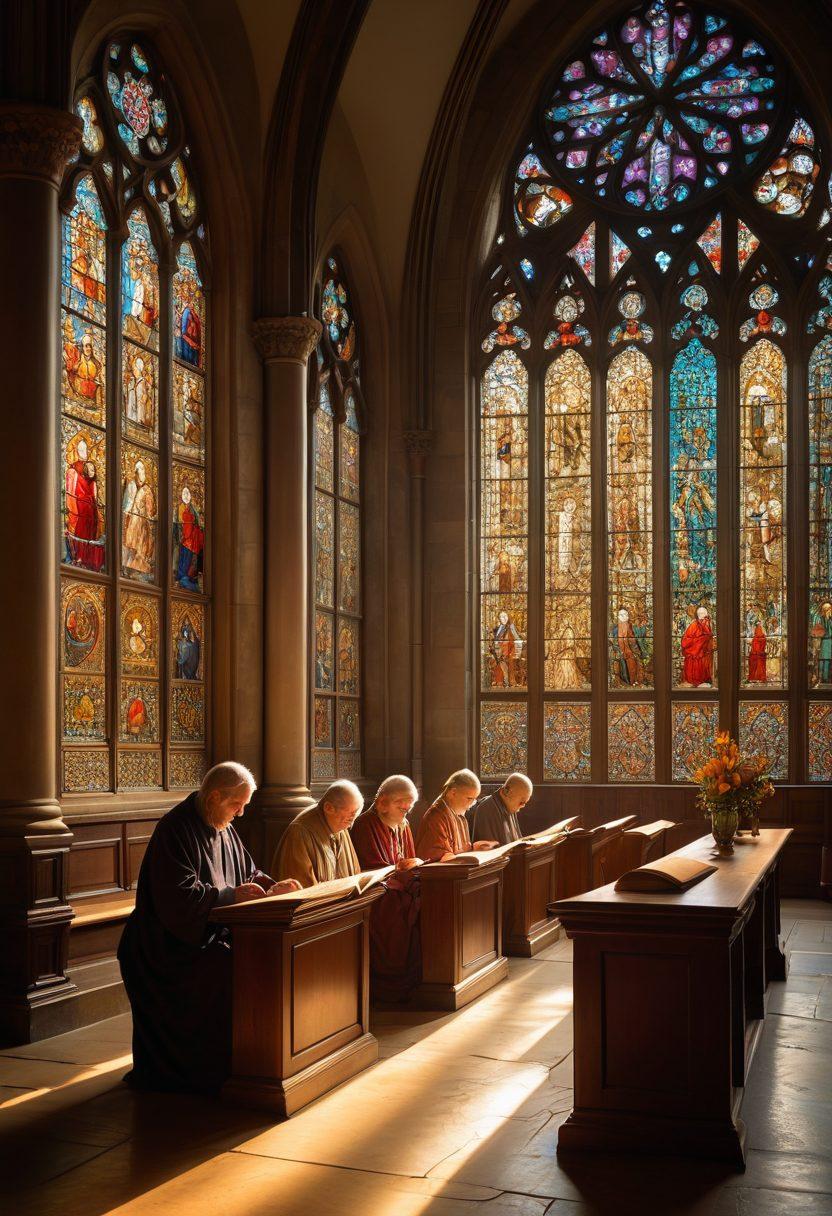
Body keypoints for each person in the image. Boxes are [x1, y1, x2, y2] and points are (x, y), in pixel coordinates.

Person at [117, 762, 299, 1094]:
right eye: (236, 804)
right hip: (167, 946)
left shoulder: (222, 824)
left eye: (244, 805)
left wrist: (273, 886)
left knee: (263, 958)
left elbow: (249, 872)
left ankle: (259, 1061)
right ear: (215, 796)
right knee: (229, 967)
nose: (241, 813)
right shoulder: (176, 829)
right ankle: (212, 1072)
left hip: (209, 933)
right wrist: (230, 895)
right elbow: (178, 898)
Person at [351, 775, 422, 1002]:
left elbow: (410, 859)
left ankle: (418, 975)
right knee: (397, 908)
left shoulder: (404, 824)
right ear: (382, 802)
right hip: (377, 891)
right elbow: (370, 869)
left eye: (409, 803)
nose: (406, 808)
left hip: (400, 884)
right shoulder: (365, 824)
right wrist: (400, 870)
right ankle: (392, 981)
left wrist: (414, 866)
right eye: (401, 802)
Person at [273, 780, 362, 887]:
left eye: (355, 813)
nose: (353, 820)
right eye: (351, 813)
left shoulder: (340, 826)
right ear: (328, 808)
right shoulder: (300, 832)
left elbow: (355, 874)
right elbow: (301, 889)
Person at [415, 769, 497, 862]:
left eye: (474, 799)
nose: (472, 803)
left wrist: (474, 848)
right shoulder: (436, 817)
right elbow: (434, 854)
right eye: (469, 798)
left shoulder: (459, 815)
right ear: (453, 793)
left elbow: (459, 851)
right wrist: (446, 855)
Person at [470, 773, 533, 845]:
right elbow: (489, 850)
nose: (523, 805)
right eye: (522, 802)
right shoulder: (487, 810)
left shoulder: (509, 806)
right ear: (507, 792)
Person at [681, 604, 715, 687]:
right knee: (696, 665)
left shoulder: (706, 623)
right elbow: (686, 641)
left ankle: (702, 681)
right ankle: (696, 681)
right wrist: (702, 640)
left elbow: (707, 635)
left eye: (705, 614)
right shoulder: (694, 625)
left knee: (702, 665)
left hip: (703, 652)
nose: (706, 617)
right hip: (695, 652)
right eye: (703, 614)